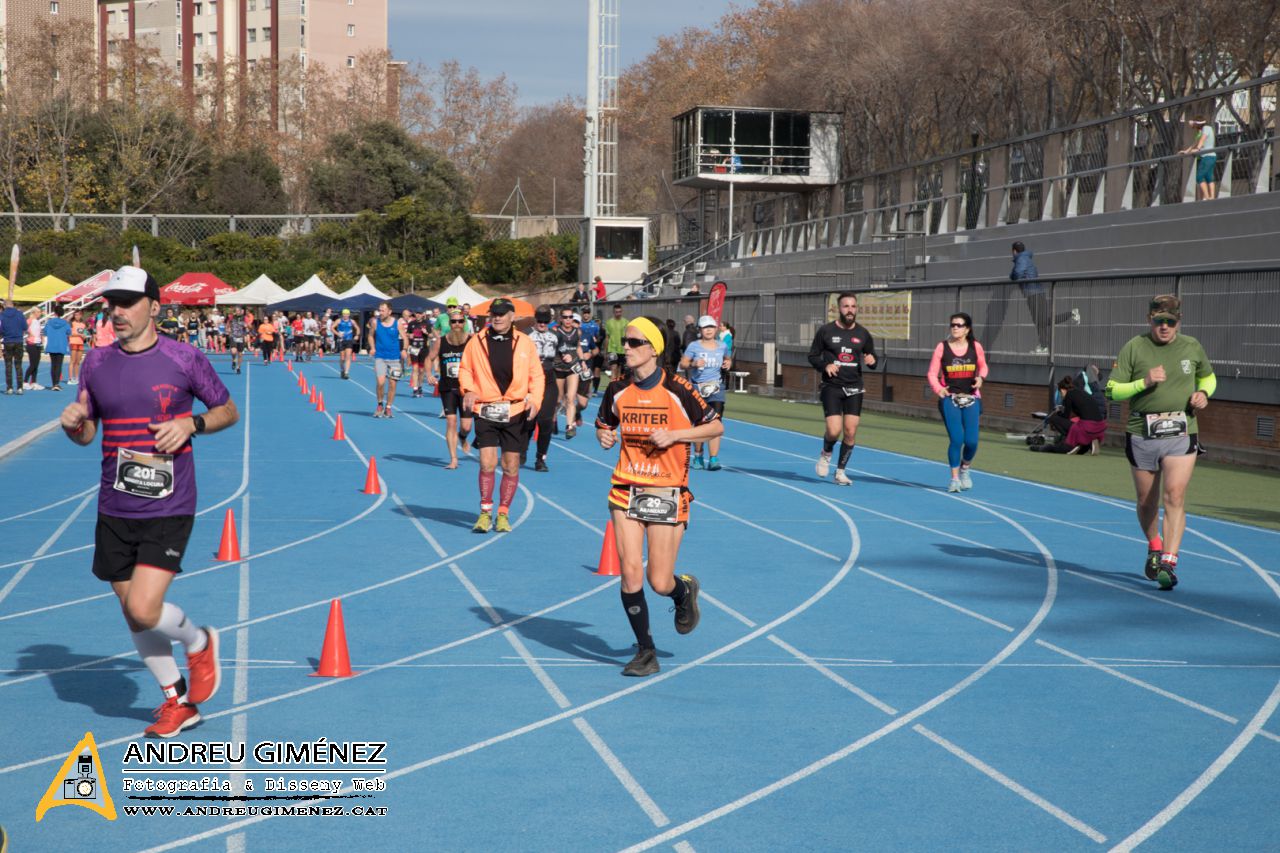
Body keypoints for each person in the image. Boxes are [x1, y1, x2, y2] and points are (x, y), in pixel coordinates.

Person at [59, 265, 239, 737]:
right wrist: (75, 424)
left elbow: (227, 410)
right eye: (111, 304)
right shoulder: (96, 362)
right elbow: (88, 433)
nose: (116, 312)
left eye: (127, 303)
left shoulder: (184, 358)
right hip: (113, 505)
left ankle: (199, 642)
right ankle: (177, 701)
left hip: (168, 503)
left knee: (143, 608)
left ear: (154, 307)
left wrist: (191, 424)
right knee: (131, 612)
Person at [595, 315, 721, 677]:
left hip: (667, 491)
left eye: (634, 343)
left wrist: (678, 435)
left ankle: (683, 592)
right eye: (626, 343)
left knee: (658, 581)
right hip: (625, 489)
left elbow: (715, 425)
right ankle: (646, 651)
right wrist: (603, 437)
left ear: (654, 349)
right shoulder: (617, 388)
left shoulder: (678, 388)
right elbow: (605, 423)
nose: (626, 349)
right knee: (631, 575)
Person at [1106, 294, 1216, 591]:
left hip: (1182, 430)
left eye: (1171, 322)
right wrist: (1145, 382)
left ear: (1179, 322)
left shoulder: (1191, 346)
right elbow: (1112, 391)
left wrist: (1204, 394)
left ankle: (1169, 560)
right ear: (1149, 320)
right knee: (1146, 501)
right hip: (1142, 432)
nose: (1165, 327)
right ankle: (1155, 545)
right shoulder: (1135, 347)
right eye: (1159, 321)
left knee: (1175, 495)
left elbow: (1209, 377)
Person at [458, 298, 543, 533]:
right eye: (494, 313)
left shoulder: (525, 343)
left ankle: (503, 513)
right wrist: (469, 390)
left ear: (512, 316)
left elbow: (536, 376)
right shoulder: (476, 342)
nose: (497, 317)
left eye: (502, 313)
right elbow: (465, 369)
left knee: (511, 465)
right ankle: (485, 512)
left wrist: (535, 400)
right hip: (485, 408)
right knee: (487, 462)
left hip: (515, 410)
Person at [807, 292, 877, 485]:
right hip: (832, 386)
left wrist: (872, 361)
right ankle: (826, 452)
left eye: (853, 306)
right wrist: (825, 366)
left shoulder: (863, 334)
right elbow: (813, 356)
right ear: (839, 309)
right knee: (833, 430)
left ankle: (840, 471)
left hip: (854, 387)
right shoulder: (826, 331)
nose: (850, 310)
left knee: (850, 432)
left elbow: (872, 358)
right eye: (846, 306)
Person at [927, 312, 988, 492]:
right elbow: (931, 373)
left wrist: (981, 378)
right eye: (952, 324)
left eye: (959, 325)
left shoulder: (975, 346)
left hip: (971, 398)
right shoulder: (942, 347)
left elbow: (983, 365)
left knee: (971, 441)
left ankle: (965, 469)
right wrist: (939, 389)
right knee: (956, 439)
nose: (955, 327)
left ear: (967, 329)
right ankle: (954, 479)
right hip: (950, 398)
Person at [680, 315, 732, 470]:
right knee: (700, 423)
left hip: (716, 387)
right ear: (700, 330)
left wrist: (728, 362)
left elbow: (728, 358)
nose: (708, 330)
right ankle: (698, 455)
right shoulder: (694, 346)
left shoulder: (722, 345)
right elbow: (683, 364)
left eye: (711, 327)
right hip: (697, 387)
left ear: (716, 329)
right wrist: (694, 363)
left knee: (716, 422)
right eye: (705, 327)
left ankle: (714, 458)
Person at [425, 308, 475, 470]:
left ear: (464, 323)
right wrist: (429, 374)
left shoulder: (472, 340)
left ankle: (463, 437)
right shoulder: (442, 341)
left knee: (466, 426)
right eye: (454, 322)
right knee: (451, 421)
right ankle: (453, 458)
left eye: (461, 321)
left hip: (467, 389)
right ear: (450, 324)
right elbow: (429, 358)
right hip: (447, 388)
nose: (457, 324)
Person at [1010, 241, 1079, 354]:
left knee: (1041, 321)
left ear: (1014, 251)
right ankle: (1045, 345)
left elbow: (1017, 274)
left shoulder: (1021, 259)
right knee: (1043, 321)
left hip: (1033, 293)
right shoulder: (1026, 258)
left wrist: (1012, 275)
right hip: (1036, 293)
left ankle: (1044, 346)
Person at [1033, 374, 1107, 455]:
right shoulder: (1083, 393)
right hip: (1099, 428)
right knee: (1080, 450)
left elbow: (1066, 416)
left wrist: (1057, 412)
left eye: (1060, 393)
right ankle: (1089, 443)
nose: (1061, 396)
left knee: (1053, 418)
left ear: (1063, 390)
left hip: (1087, 428)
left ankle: (1075, 442)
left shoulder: (1069, 395)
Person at [526, 305, 560, 472]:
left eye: (545, 321)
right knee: (528, 420)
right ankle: (522, 449)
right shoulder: (526, 335)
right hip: (529, 381)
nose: (542, 324)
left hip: (548, 380)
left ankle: (540, 458)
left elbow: (565, 352)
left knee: (545, 421)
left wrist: (570, 358)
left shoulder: (555, 335)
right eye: (540, 320)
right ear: (535, 319)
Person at [368, 301, 407, 418]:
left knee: (392, 384)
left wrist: (404, 349)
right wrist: (372, 347)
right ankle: (380, 404)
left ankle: (388, 408)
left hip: (395, 358)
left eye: (383, 310)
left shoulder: (397, 324)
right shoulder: (375, 322)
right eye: (380, 310)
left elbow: (405, 338)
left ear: (389, 311)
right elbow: (370, 335)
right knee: (380, 383)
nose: (380, 312)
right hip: (380, 356)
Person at [1179, 116, 1217, 201]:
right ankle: (1212, 197)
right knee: (1209, 177)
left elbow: (1202, 140)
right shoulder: (1205, 129)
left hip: (1207, 156)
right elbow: (1195, 142)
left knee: (1199, 177)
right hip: (1210, 156)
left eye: (1195, 124)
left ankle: (1207, 197)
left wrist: (1198, 149)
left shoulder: (1206, 128)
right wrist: (1187, 151)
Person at [43, 303, 71, 391]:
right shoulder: (65, 323)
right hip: (61, 345)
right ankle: (57, 384)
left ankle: (53, 383)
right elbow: (69, 332)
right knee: (59, 365)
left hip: (51, 345)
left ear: (55, 312)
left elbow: (45, 332)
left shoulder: (49, 322)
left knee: (53, 365)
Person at [1, 299, 25, 395]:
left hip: (8, 341)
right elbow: (25, 327)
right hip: (18, 340)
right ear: (13, 305)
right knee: (18, 365)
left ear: (5, 306)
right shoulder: (20, 314)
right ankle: (20, 387)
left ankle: (9, 387)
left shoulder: (2, 315)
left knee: (8, 365)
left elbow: (0, 329)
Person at [406, 310, 433, 397]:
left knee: (421, 370)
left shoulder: (427, 323)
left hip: (424, 349)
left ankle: (420, 386)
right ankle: (415, 388)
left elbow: (432, 336)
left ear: (423, 314)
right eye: (417, 313)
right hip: (414, 348)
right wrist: (409, 335)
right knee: (415, 368)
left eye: (420, 313)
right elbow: (407, 333)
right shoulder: (411, 323)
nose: (418, 315)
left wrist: (426, 333)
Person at [602, 303, 628, 385]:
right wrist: (606, 352)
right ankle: (612, 388)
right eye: (616, 312)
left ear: (622, 311)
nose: (618, 313)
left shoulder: (626, 322)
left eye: (620, 312)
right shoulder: (609, 322)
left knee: (620, 369)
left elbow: (628, 337)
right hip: (612, 349)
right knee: (613, 368)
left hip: (622, 350)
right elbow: (607, 338)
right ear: (613, 312)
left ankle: (618, 388)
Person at [22, 306, 45, 390]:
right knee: (33, 364)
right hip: (31, 344)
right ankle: (25, 382)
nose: (39, 313)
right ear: (34, 312)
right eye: (38, 312)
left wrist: (41, 338)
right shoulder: (30, 320)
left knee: (36, 364)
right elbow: (24, 326)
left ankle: (34, 382)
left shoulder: (37, 321)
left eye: (40, 312)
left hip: (38, 344)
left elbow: (38, 332)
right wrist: (29, 333)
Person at [334, 308, 359, 378]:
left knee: (348, 356)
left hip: (349, 340)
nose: (345, 315)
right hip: (341, 340)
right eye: (344, 314)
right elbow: (332, 327)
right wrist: (337, 334)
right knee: (342, 357)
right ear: (342, 314)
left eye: (347, 314)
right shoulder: (339, 321)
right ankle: (342, 370)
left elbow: (357, 328)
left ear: (349, 315)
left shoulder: (352, 321)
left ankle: (346, 372)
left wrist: (357, 335)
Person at [68, 309, 87, 385]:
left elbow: (83, 333)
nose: (77, 316)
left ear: (81, 315)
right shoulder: (72, 323)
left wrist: (84, 336)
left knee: (78, 362)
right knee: (72, 361)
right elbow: (69, 334)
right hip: (73, 342)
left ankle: (76, 378)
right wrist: (78, 335)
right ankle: (70, 378)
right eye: (75, 315)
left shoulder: (83, 324)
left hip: (80, 343)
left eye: (78, 315)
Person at [227, 309, 248, 374]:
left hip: (241, 338)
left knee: (240, 354)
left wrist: (246, 326)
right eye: (236, 311)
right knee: (233, 351)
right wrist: (228, 329)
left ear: (241, 311)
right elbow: (227, 325)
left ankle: (238, 367)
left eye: (239, 311)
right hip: (233, 336)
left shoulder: (244, 318)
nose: (238, 312)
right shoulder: (232, 317)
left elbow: (249, 326)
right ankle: (233, 360)